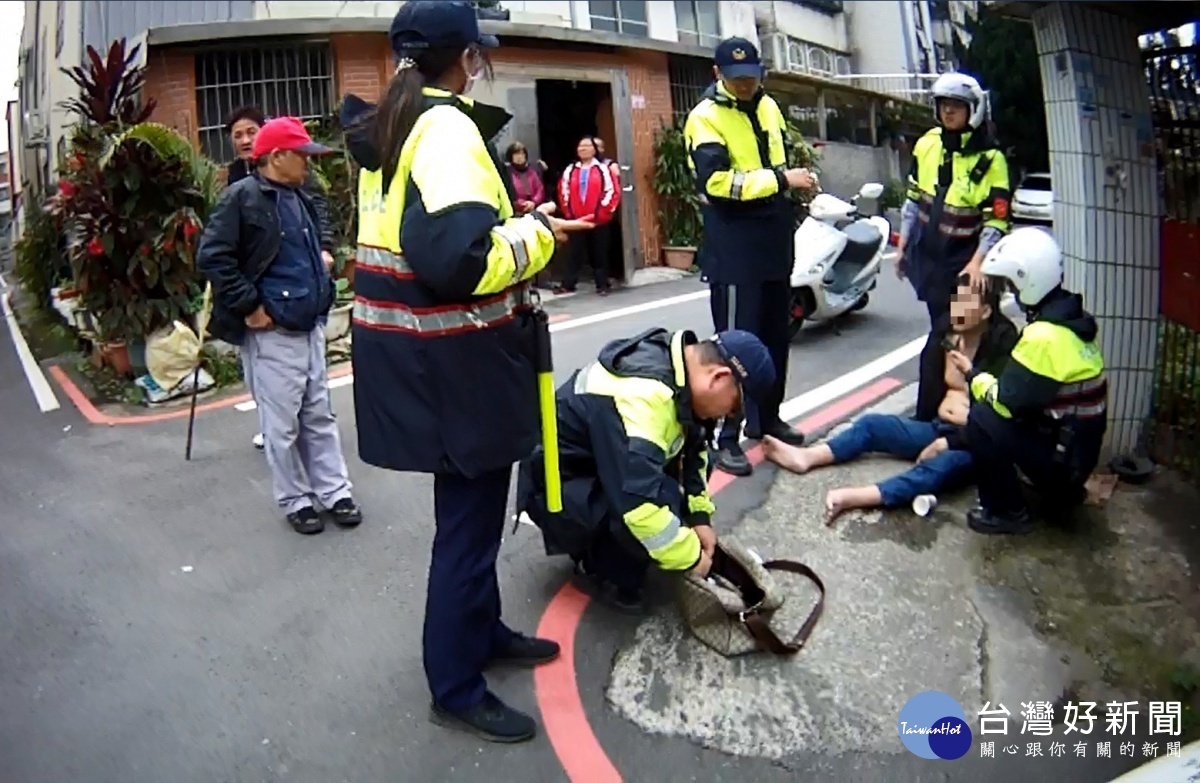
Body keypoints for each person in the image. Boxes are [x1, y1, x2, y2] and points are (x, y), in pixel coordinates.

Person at [339, 0, 592, 744]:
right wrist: (539, 234)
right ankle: (453, 682)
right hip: (454, 360)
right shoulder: (444, 126)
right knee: (466, 530)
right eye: (480, 52)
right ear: (464, 58)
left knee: (473, 521)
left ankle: (481, 634)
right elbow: (460, 261)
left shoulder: (397, 120)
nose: (485, 62)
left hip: (424, 357)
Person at [517, 328, 776, 612]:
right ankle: (602, 570)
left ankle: (625, 548)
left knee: (669, 494)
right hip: (556, 489)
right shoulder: (645, 399)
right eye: (735, 407)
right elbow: (639, 505)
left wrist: (699, 516)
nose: (729, 415)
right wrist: (691, 557)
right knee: (654, 501)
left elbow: (695, 453)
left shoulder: (681, 368)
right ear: (719, 377)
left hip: (595, 466)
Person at [197, 117, 363, 535]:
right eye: (302, 155)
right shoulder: (243, 198)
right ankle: (296, 499)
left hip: (308, 326)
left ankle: (333, 491)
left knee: (319, 415)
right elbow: (213, 256)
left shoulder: (298, 195)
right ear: (277, 157)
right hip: (272, 331)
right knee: (282, 424)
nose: (309, 163)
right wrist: (250, 307)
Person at [763, 278, 1018, 523]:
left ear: (985, 312)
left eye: (966, 303)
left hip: (972, 444)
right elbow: (929, 388)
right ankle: (807, 457)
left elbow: (1000, 418)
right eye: (955, 301)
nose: (956, 309)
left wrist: (948, 442)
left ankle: (859, 497)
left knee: (940, 467)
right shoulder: (946, 335)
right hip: (935, 426)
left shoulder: (1002, 345)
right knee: (872, 425)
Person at [684, 37, 816, 478]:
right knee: (735, 346)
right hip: (736, 246)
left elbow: (775, 159)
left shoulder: (769, 106)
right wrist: (782, 180)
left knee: (776, 339)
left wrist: (796, 185)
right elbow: (716, 183)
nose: (745, 86)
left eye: (752, 77)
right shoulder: (705, 118)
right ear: (717, 75)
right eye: (737, 79)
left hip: (774, 243)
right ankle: (725, 438)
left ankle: (767, 419)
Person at [954, 228, 1107, 535]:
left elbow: (1006, 403)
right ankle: (1061, 492)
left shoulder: (1044, 337)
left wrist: (973, 375)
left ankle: (1007, 511)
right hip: (1078, 456)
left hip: (1066, 465)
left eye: (1012, 283)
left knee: (982, 418)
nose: (1011, 292)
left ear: (1029, 280)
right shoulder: (1071, 322)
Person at [223, 105, 338, 452]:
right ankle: (272, 423)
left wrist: (325, 248)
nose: (245, 140)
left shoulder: (297, 174)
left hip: (295, 284)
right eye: (237, 135)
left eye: (250, 132)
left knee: (305, 367)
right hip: (253, 282)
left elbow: (318, 211)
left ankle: (300, 429)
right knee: (257, 364)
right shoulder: (234, 181)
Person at [895, 72, 1012, 327]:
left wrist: (977, 263)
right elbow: (913, 199)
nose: (948, 110)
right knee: (940, 329)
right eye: (943, 104)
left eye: (957, 105)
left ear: (973, 109)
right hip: (932, 260)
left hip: (967, 263)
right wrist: (903, 244)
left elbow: (997, 222)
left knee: (966, 332)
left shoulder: (991, 159)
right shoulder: (927, 144)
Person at [553, 136, 619, 296]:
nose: (583, 148)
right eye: (580, 146)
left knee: (600, 252)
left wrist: (601, 213)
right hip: (577, 220)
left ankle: (602, 284)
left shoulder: (603, 169)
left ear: (594, 149)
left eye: (587, 146)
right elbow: (563, 191)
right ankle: (568, 284)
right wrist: (570, 214)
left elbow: (612, 191)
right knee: (574, 252)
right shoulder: (571, 170)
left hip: (599, 219)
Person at [504, 141, 547, 215]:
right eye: (516, 154)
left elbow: (540, 190)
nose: (519, 157)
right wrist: (522, 204)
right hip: (517, 211)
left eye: (522, 154)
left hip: (535, 208)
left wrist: (533, 202)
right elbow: (509, 194)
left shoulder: (532, 171)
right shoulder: (507, 173)